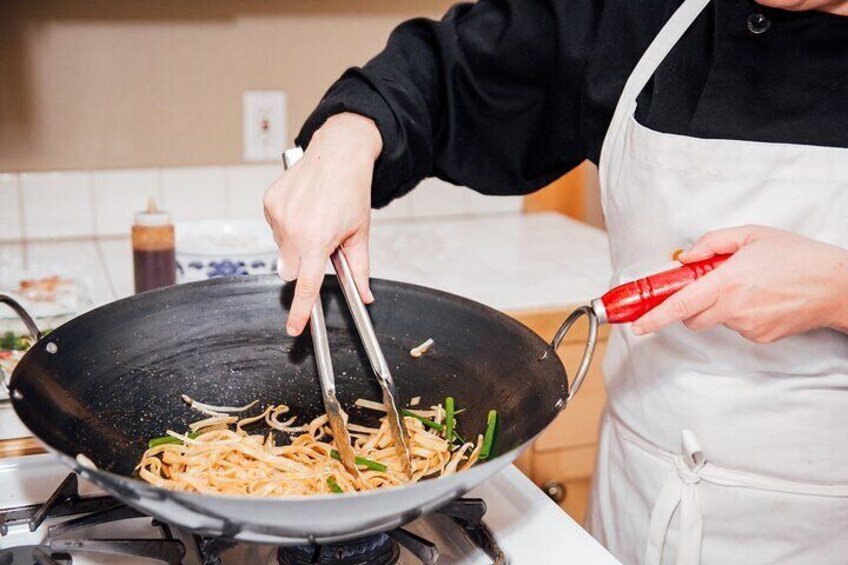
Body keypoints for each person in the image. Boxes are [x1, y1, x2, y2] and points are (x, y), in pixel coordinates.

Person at [263, 0, 848, 562]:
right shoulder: (639, 13)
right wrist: (352, 132)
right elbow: (455, 75)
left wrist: (837, 289)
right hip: (635, 510)